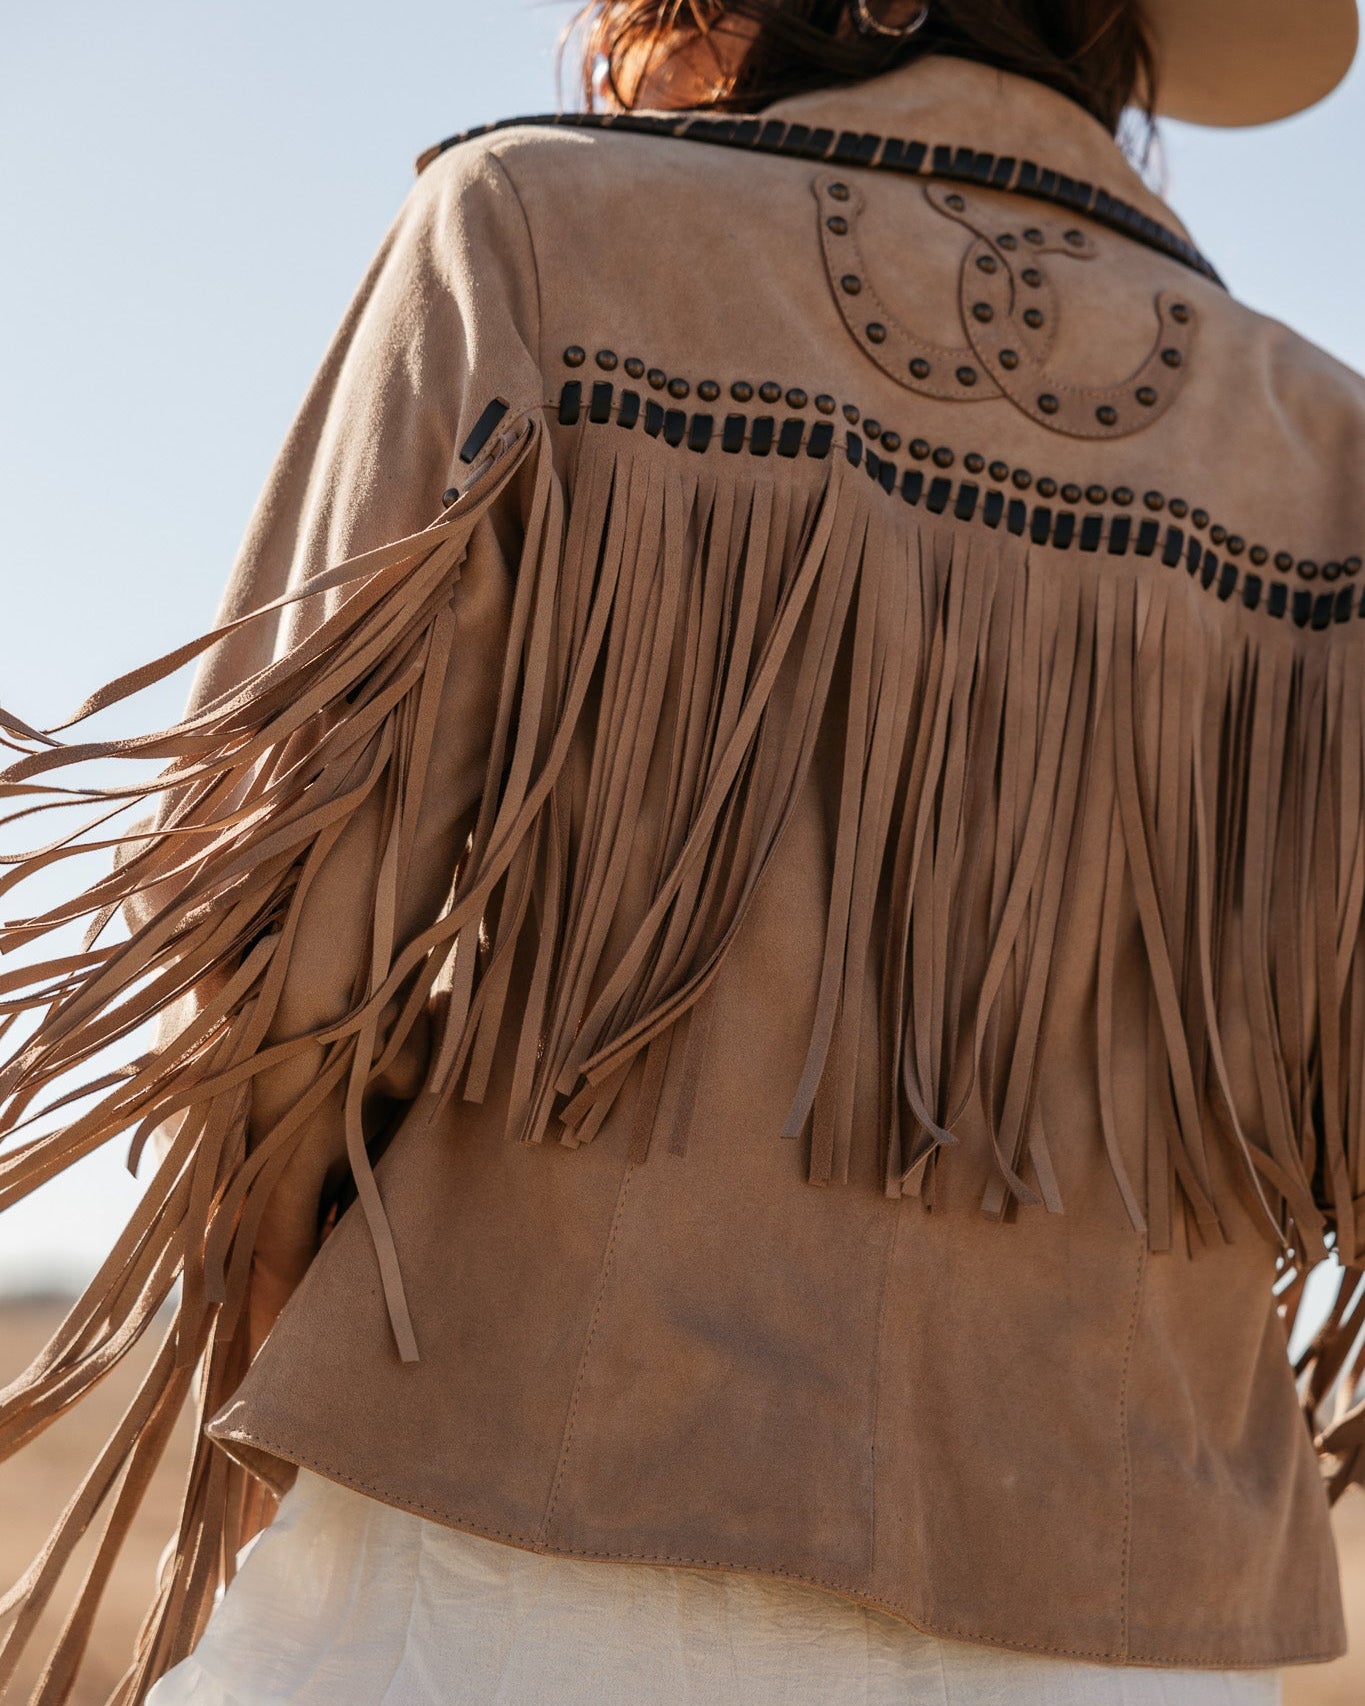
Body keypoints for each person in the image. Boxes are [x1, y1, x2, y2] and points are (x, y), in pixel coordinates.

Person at [2, 0, 1364, 1701]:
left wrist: (308, 1322)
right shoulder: (1328, 460)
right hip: (1134, 1602)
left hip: (524, 1538)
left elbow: (273, 917)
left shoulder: (536, 229)